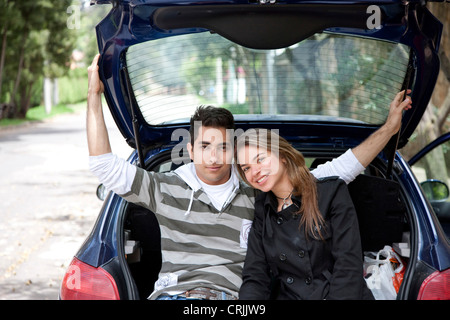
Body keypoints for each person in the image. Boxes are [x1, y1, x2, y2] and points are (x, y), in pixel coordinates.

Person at [86, 54, 412, 300]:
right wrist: (93, 97)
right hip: (176, 296)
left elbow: (337, 171)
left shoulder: (256, 189)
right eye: (205, 146)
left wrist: (389, 129)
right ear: (190, 148)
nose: (214, 157)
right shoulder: (163, 187)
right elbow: (104, 166)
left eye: (223, 147)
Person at [235, 129, 374, 299]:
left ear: (283, 156)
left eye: (260, 159)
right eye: (246, 168)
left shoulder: (330, 193)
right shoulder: (262, 209)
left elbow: (348, 266)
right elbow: (255, 275)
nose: (254, 171)